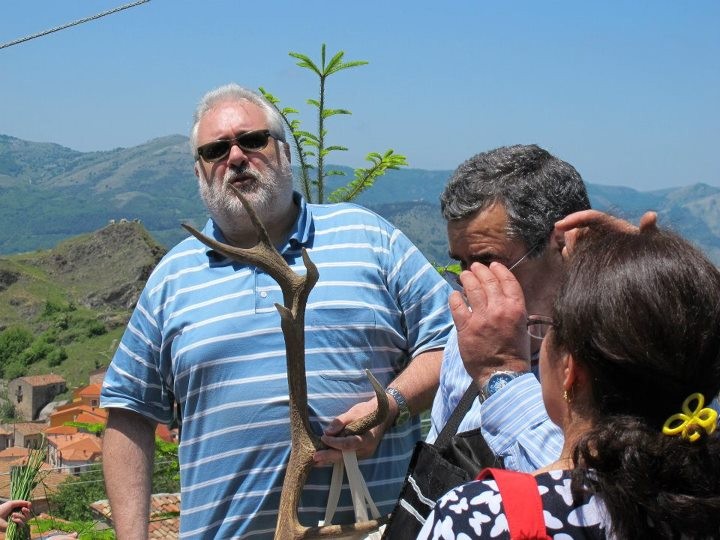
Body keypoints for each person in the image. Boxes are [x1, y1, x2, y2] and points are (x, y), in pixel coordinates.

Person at [100, 83, 453, 538]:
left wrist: (391, 407)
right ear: (199, 171)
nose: (236, 157)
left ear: (283, 150)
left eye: (252, 140)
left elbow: (453, 343)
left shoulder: (369, 238)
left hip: (377, 529)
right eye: (215, 149)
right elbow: (128, 411)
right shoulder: (172, 277)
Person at [420, 222, 720, 538]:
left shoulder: (479, 517)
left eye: (549, 326)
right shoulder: (701, 508)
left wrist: (499, 369)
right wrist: (656, 272)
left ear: (571, 370)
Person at [426, 144, 590, 472]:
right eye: (462, 264)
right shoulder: (468, 343)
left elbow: (590, 495)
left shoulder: (616, 358)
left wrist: (500, 371)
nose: (471, 283)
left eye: (489, 261)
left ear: (566, 243)